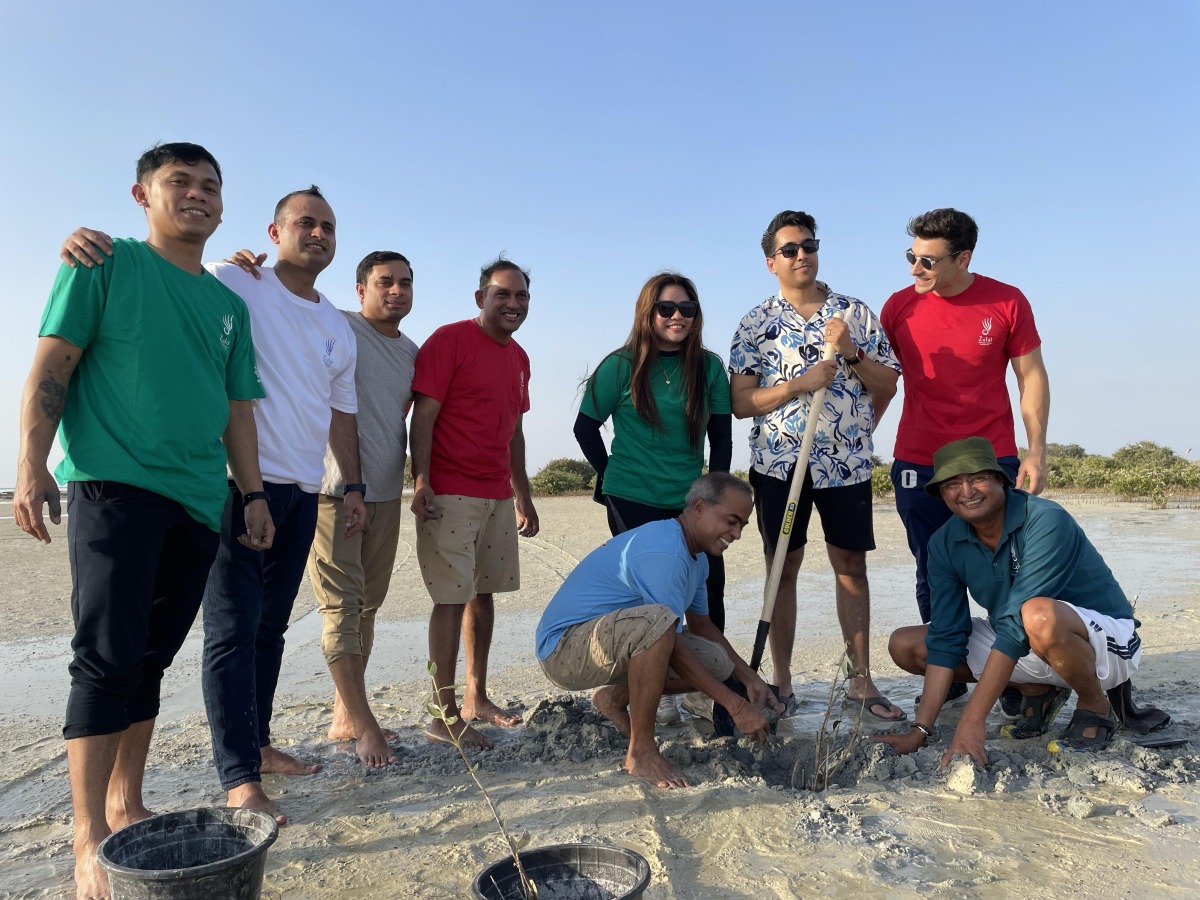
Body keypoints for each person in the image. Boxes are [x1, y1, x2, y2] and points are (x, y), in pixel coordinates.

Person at [60, 185, 366, 824]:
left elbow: (341, 414)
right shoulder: (237, 280)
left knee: (270, 629)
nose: (318, 234)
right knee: (231, 631)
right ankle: (239, 779)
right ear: (274, 232)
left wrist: (352, 485)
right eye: (305, 223)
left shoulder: (338, 324)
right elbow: (172, 261)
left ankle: (258, 745)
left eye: (328, 227)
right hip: (235, 487)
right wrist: (84, 239)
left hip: (303, 490)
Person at [22, 142, 272, 900]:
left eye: (209, 186)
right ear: (143, 195)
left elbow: (236, 409)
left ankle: (126, 803)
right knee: (105, 658)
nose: (196, 194)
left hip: (197, 499)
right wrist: (30, 461)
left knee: (152, 658)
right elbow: (53, 364)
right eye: (179, 182)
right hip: (114, 485)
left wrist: (252, 494)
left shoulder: (229, 306)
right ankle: (88, 835)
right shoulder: (104, 262)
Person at [728, 210, 903, 720]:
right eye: (790, 249)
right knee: (782, 567)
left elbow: (888, 385)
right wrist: (797, 385)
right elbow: (741, 402)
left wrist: (850, 353)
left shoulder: (854, 313)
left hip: (845, 463)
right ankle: (782, 681)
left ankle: (860, 681)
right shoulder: (755, 322)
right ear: (771, 262)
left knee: (851, 567)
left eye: (809, 245)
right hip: (780, 464)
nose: (802, 255)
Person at [875, 437, 1145, 764]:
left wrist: (971, 721)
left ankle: (1094, 705)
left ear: (1000, 479)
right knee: (906, 644)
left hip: (1105, 643)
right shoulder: (943, 542)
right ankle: (1037, 690)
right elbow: (946, 637)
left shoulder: (1045, 519)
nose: (966, 491)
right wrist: (920, 730)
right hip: (1024, 636)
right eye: (952, 484)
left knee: (1036, 615)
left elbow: (1018, 621)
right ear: (941, 493)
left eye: (978, 478)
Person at [536, 473, 783, 788]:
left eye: (742, 526)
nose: (736, 534)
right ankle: (640, 752)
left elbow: (702, 626)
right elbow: (667, 637)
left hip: (608, 642)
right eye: (731, 521)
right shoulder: (666, 550)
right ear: (699, 507)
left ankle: (614, 698)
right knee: (659, 622)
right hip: (564, 650)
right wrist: (735, 706)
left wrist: (750, 679)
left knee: (717, 661)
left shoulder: (697, 559)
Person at [880, 208, 1050, 633]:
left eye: (928, 261)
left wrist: (1036, 451)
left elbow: (1031, 377)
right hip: (920, 460)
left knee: (1006, 567)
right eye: (911, 257)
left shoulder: (1007, 301)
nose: (915, 269)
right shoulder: (898, 307)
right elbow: (880, 381)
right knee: (933, 568)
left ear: (963, 259)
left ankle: (1014, 665)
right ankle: (948, 662)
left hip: (992, 458)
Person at [411, 258, 539, 751]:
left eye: (521, 296)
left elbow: (515, 431)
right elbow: (424, 417)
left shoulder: (520, 357)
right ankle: (441, 716)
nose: (513, 303)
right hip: (450, 491)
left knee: (482, 594)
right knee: (449, 598)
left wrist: (522, 492)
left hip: (496, 494)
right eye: (502, 294)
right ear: (481, 297)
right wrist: (421, 480)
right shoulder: (450, 340)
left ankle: (475, 697)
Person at [305, 251, 419, 768]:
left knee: (368, 606)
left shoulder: (412, 352)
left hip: (386, 493)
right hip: (332, 491)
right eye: (384, 282)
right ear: (360, 290)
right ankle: (363, 724)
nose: (396, 290)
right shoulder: (339, 326)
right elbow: (285, 302)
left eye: (405, 283)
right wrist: (239, 266)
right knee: (340, 607)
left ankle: (344, 715)